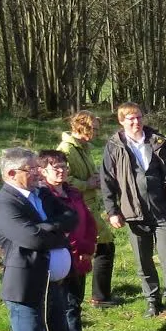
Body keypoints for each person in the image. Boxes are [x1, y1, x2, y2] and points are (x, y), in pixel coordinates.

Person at [0, 148, 87, 331]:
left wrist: (47, 229)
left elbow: (72, 217)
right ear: (11, 173)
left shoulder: (41, 193)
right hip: (25, 284)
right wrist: (55, 229)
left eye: (37, 168)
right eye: (30, 169)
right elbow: (31, 239)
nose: (37, 173)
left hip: (52, 282)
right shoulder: (3, 205)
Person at [100, 102, 166, 317]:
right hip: (134, 212)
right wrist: (112, 211)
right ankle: (152, 300)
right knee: (143, 259)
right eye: (131, 118)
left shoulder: (158, 141)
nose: (136, 122)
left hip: (164, 209)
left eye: (139, 117)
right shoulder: (114, 146)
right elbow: (107, 180)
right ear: (121, 121)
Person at [40, 150, 98, 331]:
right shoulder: (44, 197)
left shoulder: (73, 192)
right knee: (61, 303)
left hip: (81, 255)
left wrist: (88, 248)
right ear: (43, 171)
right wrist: (74, 249)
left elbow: (88, 221)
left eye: (64, 167)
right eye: (56, 167)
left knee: (75, 300)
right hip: (61, 257)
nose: (61, 171)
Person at [58, 111, 117, 307]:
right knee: (104, 243)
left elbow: (86, 172)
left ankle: (100, 294)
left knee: (104, 242)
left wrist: (96, 178)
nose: (97, 133)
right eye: (95, 129)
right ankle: (99, 296)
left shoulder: (84, 147)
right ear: (82, 127)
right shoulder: (66, 149)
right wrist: (87, 184)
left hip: (90, 203)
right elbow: (63, 179)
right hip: (79, 205)